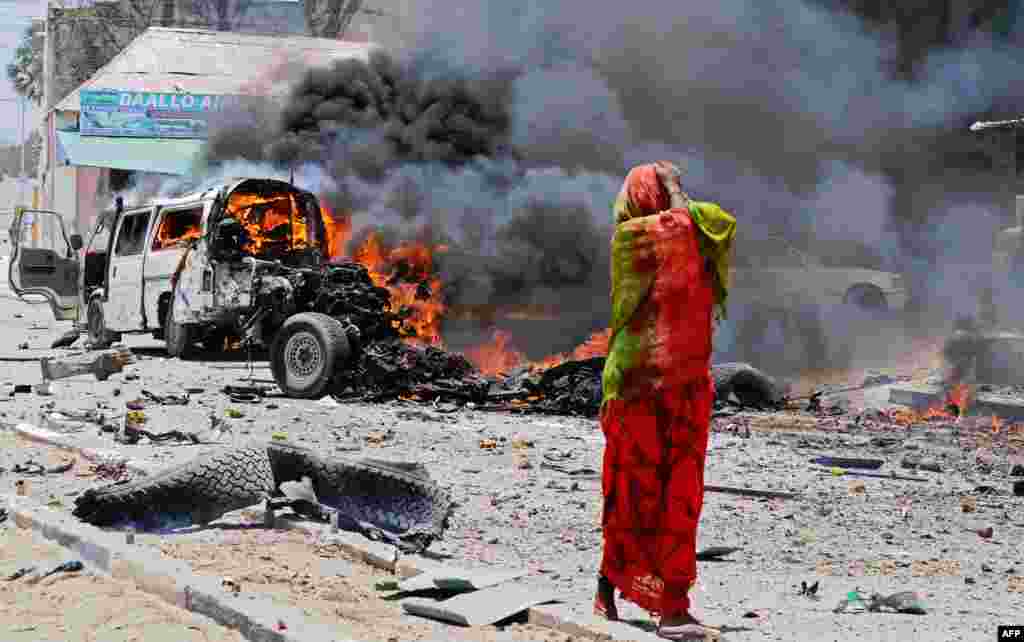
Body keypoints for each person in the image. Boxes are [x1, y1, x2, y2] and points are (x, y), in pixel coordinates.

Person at [595, 161, 736, 641]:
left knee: (678, 498)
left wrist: (681, 198)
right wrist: (675, 187)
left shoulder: (689, 228)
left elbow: (718, 223)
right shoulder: (632, 238)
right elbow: (681, 228)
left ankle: (659, 598)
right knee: (634, 493)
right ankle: (627, 592)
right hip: (638, 388)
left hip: (686, 385)